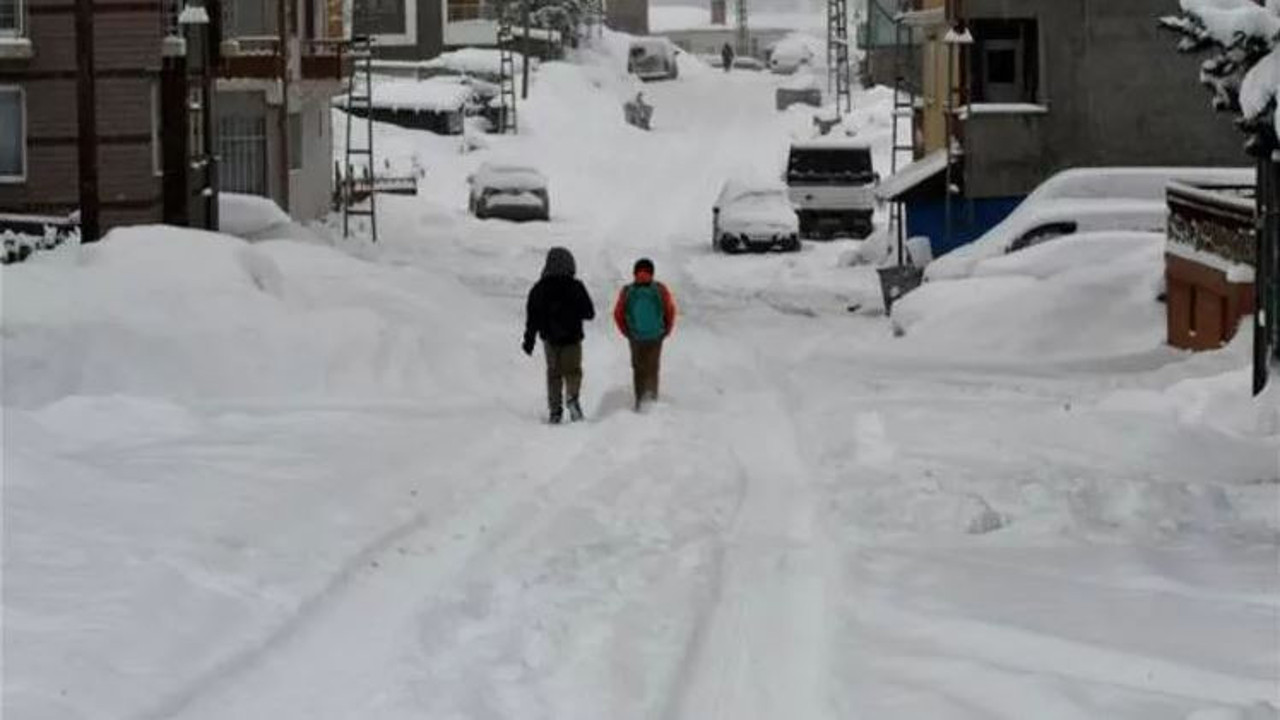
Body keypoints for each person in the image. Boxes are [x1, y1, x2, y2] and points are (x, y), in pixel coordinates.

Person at [523, 247, 596, 424]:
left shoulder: (539, 288)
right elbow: (589, 313)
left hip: (549, 339)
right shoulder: (576, 286)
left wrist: (529, 339)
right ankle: (572, 398)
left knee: (553, 374)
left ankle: (555, 410)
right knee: (572, 372)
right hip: (572, 339)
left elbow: (532, 316)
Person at [613, 258, 677, 411]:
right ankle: (652, 398)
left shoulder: (627, 291)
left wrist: (626, 331)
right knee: (652, 367)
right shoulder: (660, 289)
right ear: (652, 272)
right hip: (656, 336)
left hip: (635, 336)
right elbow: (670, 310)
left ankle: (640, 400)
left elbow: (618, 313)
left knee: (638, 368)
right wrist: (666, 330)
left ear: (635, 272)